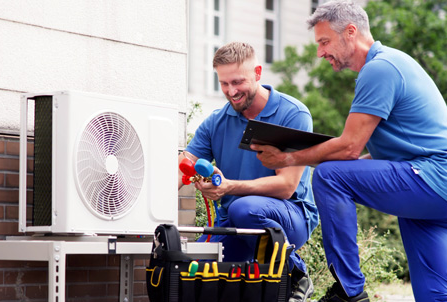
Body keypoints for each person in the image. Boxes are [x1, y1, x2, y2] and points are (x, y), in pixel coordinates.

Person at [251, 1, 447, 301]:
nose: (320, 52)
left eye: (324, 41)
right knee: (434, 292)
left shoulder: (379, 69)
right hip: (428, 189)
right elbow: (373, 158)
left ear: (351, 32)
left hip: (433, 177)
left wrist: (287, 158)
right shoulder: (391, 63)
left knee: (330, 176)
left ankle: (348, 291)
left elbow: (350, 148)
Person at [178, 42, 318, 302]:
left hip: (289, 216)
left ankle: (295, 272)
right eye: (224, 83)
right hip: (232, 221)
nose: (231, 91)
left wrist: (229, 187)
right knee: (192, 278)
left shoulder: (293, 114)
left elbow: (286, 186)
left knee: (244, 208)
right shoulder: (216, 122)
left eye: (238, 82)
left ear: (257, 72)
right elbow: (181, 166)